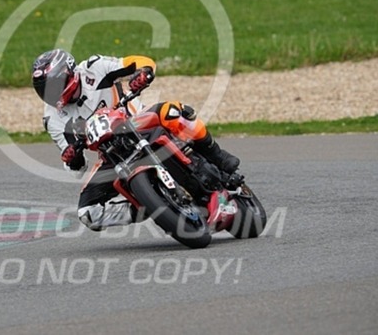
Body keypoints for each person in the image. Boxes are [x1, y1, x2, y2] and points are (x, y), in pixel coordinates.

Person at [32, 49, 240, 231]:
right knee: (88, 213)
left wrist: (143, 73)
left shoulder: (94, 68)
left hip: (138, 122)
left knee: (172, 111)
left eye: (52, 85)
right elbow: (76, 168)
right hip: (111, 153)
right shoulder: (52, 118)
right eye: (43, 89)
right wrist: (72, 158)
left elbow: (140, 61)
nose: (49, 93)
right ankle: (147, 206)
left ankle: (218, 156)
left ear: (69, 73)